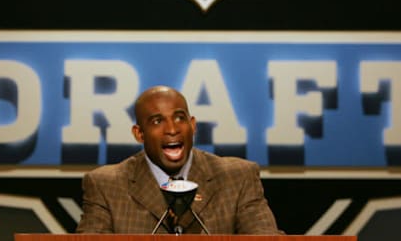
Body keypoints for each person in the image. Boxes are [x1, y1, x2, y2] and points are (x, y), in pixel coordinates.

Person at [76, 85, 283, 234]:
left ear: (192, 126)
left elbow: (264, 237)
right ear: (139, 134)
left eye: (179, 118)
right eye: (157, 121)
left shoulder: (237, 178)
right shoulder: (107, 185)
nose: (172, 129)